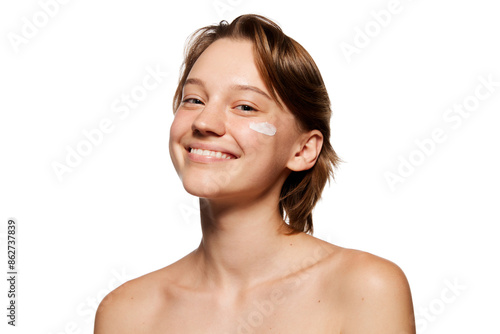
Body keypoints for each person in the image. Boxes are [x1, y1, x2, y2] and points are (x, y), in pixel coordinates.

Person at [94, 14, 416, 333]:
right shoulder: (126, 315)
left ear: (303, 150)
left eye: (245, 106)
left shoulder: (365, 291)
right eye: (194, 99)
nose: (204, 123)